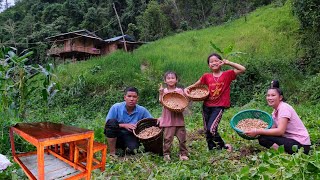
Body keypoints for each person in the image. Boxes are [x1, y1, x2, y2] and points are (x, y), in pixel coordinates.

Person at [185, 53, 246, 151]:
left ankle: (223, 146)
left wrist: (228, 62)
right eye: (211, 62)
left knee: (211, 129)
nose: (214, 63)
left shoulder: (228, 74)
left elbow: (242, 69)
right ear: (209, 65)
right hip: (206, 105)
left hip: (219, 106)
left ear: (220, 62)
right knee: (207, 130)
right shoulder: (206, 76)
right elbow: (197, 84)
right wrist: (188, 88)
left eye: (216, 60)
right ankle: (212, 149)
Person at [245, 81, 311, 154]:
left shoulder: (284, 108)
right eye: (268, 95)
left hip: (301, 145)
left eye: (273, 95)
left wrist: (257, 131)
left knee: (264, 138)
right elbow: (272, 129)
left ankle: (284, 155)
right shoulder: (275, 111)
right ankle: (283, 153)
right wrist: (256, 127)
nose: (270, 98)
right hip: (291, 140)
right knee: (263, 137)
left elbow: (280, 131)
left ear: (280, 97)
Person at [104, 87, 153, 157]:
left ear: (137, 98)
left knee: (133, 149)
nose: (131, 99)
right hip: (116, 133)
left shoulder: (142, 110)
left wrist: (159, 120)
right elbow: (107, 124)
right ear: (125, 97)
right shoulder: (116, 107)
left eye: (134, 97)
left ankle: (123, 148)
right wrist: (124, 125)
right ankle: (112, 153)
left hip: (130, 135)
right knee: (112, 122)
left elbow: (151, 122)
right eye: (129, 96)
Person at [158, 71, 189, 161]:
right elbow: (161, 102)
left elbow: (184, 102)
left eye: (173, 78)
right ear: (165, 81)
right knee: (167, 138)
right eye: (168, 78)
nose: (171, 80)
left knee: (182, 138)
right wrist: (160, 93)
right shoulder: (164, 91)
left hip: (178, 118)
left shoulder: (179, 91)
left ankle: (183, 153)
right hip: (168, 119)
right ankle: (166, 153)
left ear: (176, 80)